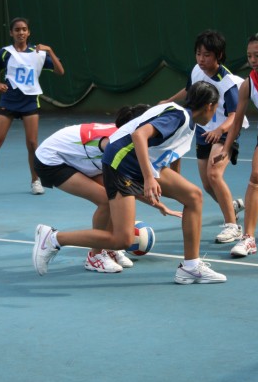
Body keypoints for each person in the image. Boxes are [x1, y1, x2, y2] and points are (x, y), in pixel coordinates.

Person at [32, 81, 227, 285]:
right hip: (121, 165)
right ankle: (54, 238)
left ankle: (191, 267)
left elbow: (169, 161)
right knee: (122, 239)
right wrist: (149, 179)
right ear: (210, 106)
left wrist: (165, 196)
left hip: (131, 164)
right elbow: (139, 135)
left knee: (193, 196)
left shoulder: (186, 123)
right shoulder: (178, 116)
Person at [34, 104, 182, 273]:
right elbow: (123, 183)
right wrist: (156, 203)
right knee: (105, 200)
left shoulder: (124, 137)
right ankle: (94, 255)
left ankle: (108, 249)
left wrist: (158, 204)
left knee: (112, 196)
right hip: (52, 160)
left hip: (79, 158)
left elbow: (123, 186)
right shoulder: (112, 144)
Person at [160, 29, 248, 243]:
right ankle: (231, 207)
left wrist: (220, 130)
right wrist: (170, 101)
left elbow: (235, 115)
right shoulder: (196, 70)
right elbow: (190, 91)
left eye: (206, 55)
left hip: (225, 131)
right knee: (207, 185)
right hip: (202, 131)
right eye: (198, 54)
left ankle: (232, 226)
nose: (201, 59)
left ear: (218, 55)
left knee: (214, 175)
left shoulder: (226, 82)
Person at [0, 17, 64, 198]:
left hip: (30, 102)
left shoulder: (38, 53)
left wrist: (51, 51)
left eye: (24, 29)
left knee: (32, 144)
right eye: (17, 30)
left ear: (29, 32)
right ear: (11, 33)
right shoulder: (4, 53)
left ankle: (35, 181)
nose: (21, 33)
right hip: (9, 101)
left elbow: (60, 71)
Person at [213, 32, 258, 257]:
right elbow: (236, 119)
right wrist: (226, 148)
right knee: (256, 175)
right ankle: (248, 239)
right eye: (249, 55)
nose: (253, 60)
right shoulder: (248, 84)